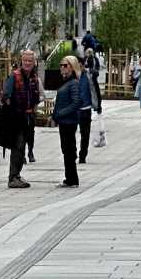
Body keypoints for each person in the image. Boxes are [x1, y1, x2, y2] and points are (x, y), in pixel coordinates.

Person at [0, 49, 42, 189]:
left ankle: (16, 175)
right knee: (18, 146)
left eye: (30, 60)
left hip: (28, 117)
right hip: (16, 118)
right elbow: (5, 95)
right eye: (25, 60)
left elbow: (37, 96)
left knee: (23, 147)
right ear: (21, 61)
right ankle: (13, 177)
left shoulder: (34, 78)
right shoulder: (14, 76)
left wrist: (33, 108)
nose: (27, 63)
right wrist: (13, 110)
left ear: (34, 62)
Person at [52, 55, 92, 188]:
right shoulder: (66, 82)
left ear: (72, 67)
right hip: (64, 121)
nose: (62, 68)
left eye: (65, 65)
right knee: (66, 149)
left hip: (69, 121)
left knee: (69, 149)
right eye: (61, 65)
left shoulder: (73, 82)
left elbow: (76, 102)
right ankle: (69, 177)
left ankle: (72, 178)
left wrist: (59, 114)